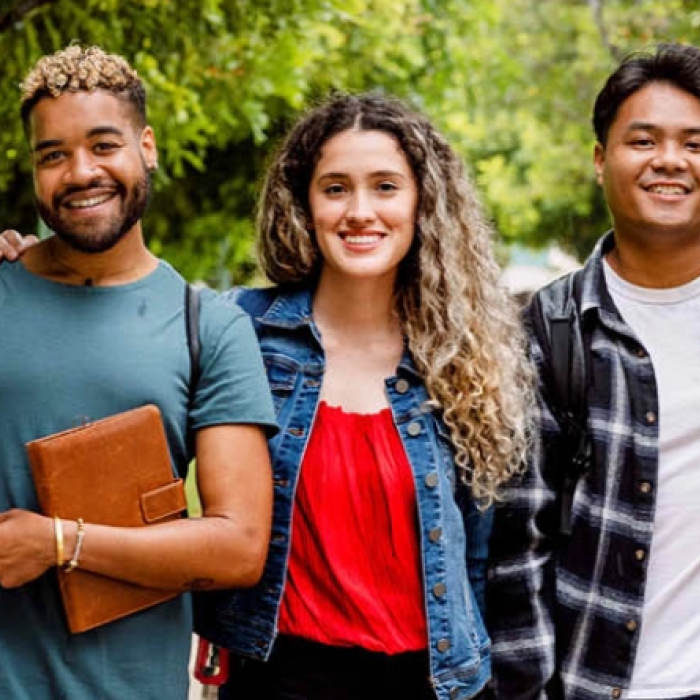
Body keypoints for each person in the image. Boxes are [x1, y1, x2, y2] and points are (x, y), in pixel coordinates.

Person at [188, 93, 533, 700]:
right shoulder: (241, 330)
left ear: (423, 204)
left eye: (385, 187)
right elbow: (129, 354)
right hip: (281, 677)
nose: (360, 211)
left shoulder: (466, 356)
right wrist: (47, 272)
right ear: (304, 203)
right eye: (336, 188)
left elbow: (478, 558)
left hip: (432, 682)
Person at [0, 45, 276, 700]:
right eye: (53, 155)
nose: (80, 172)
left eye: (103, 145)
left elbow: (239, 547)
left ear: (146, 146)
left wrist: (61, 542)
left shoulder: (208, 327)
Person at [487, 42, 700, 700]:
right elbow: (514, 553)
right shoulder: (548, 332)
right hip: (593, 685)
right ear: (601, 159)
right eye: (643, 140)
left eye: (694, 141)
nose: (670, 160)